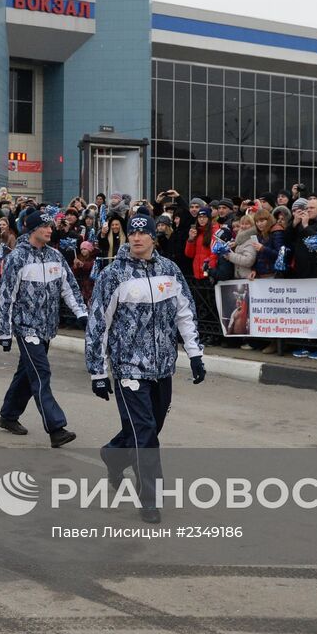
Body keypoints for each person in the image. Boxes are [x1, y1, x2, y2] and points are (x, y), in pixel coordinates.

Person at [84, 208, 206, 524]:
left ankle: (114, 454)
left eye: (143, 232)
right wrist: (98, 371)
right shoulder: (114, 274)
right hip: (128, 368)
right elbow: (99, 323)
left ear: (153, 236)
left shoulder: (170, 270)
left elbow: (185, 313)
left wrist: (194, 355)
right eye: (133, 232)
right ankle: (149, 499)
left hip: (163, 366)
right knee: (146, 432)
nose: (137, 237)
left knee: (150, 427)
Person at [0, 209, 88, 447]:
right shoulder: (17, 258)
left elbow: (69, 287)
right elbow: (7, 296)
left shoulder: (55, 257)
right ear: (33, 229)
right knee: (41, 372)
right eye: (45, 227)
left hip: (47, 327)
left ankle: (8, 415)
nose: (50, 230)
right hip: (26, 327)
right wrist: (5, 332)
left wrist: (81, 313)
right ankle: (56, 428)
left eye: (51, 227)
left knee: (27, 374)